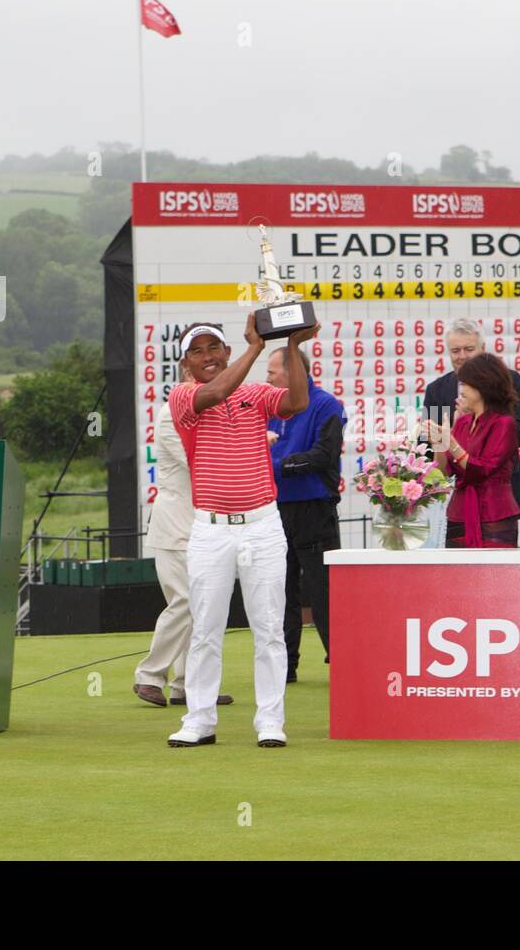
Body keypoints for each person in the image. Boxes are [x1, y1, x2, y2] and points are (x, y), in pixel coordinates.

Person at [164, 315, 316, 749]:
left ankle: (270, 721)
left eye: (216, 348)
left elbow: (297, 402)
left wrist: (291, 345)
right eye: (199, 350)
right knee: (207, 627)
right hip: (211, 530)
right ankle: (199, 719)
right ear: (187, 361)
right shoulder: (184, 397)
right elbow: (215, 392)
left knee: (268, 627)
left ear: (226, 352)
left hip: (262, 525)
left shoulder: (256, 394)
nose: (209, 357)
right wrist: (256, 346)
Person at [132, 391, 233, 708]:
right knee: (186, 602)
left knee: (201, 606)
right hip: (175, 529)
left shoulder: (204, 415)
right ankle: (148, 675)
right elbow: (197, 463)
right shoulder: (169, 416)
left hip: (199, 528)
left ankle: (189, 684)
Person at [266, 345, 346, 684]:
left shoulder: (327, 404)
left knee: (322, 589)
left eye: (272, 371)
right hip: (275, 508)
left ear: (293, 372)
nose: (267, 377)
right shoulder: (268, 404)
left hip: (315, 508)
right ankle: (285, 665)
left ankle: (341, 661)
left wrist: (278, 464)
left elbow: (324, 455)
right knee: (281, 589)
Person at [422, 318, 520, 546]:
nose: (462, 356)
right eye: (455, 350)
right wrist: (452, 430)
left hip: (497, 496)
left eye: (469, 349)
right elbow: (429, 450)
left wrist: (482, 422)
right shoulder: (437, 390)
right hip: (455, 496)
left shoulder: (509, 382)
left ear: (483, 349)